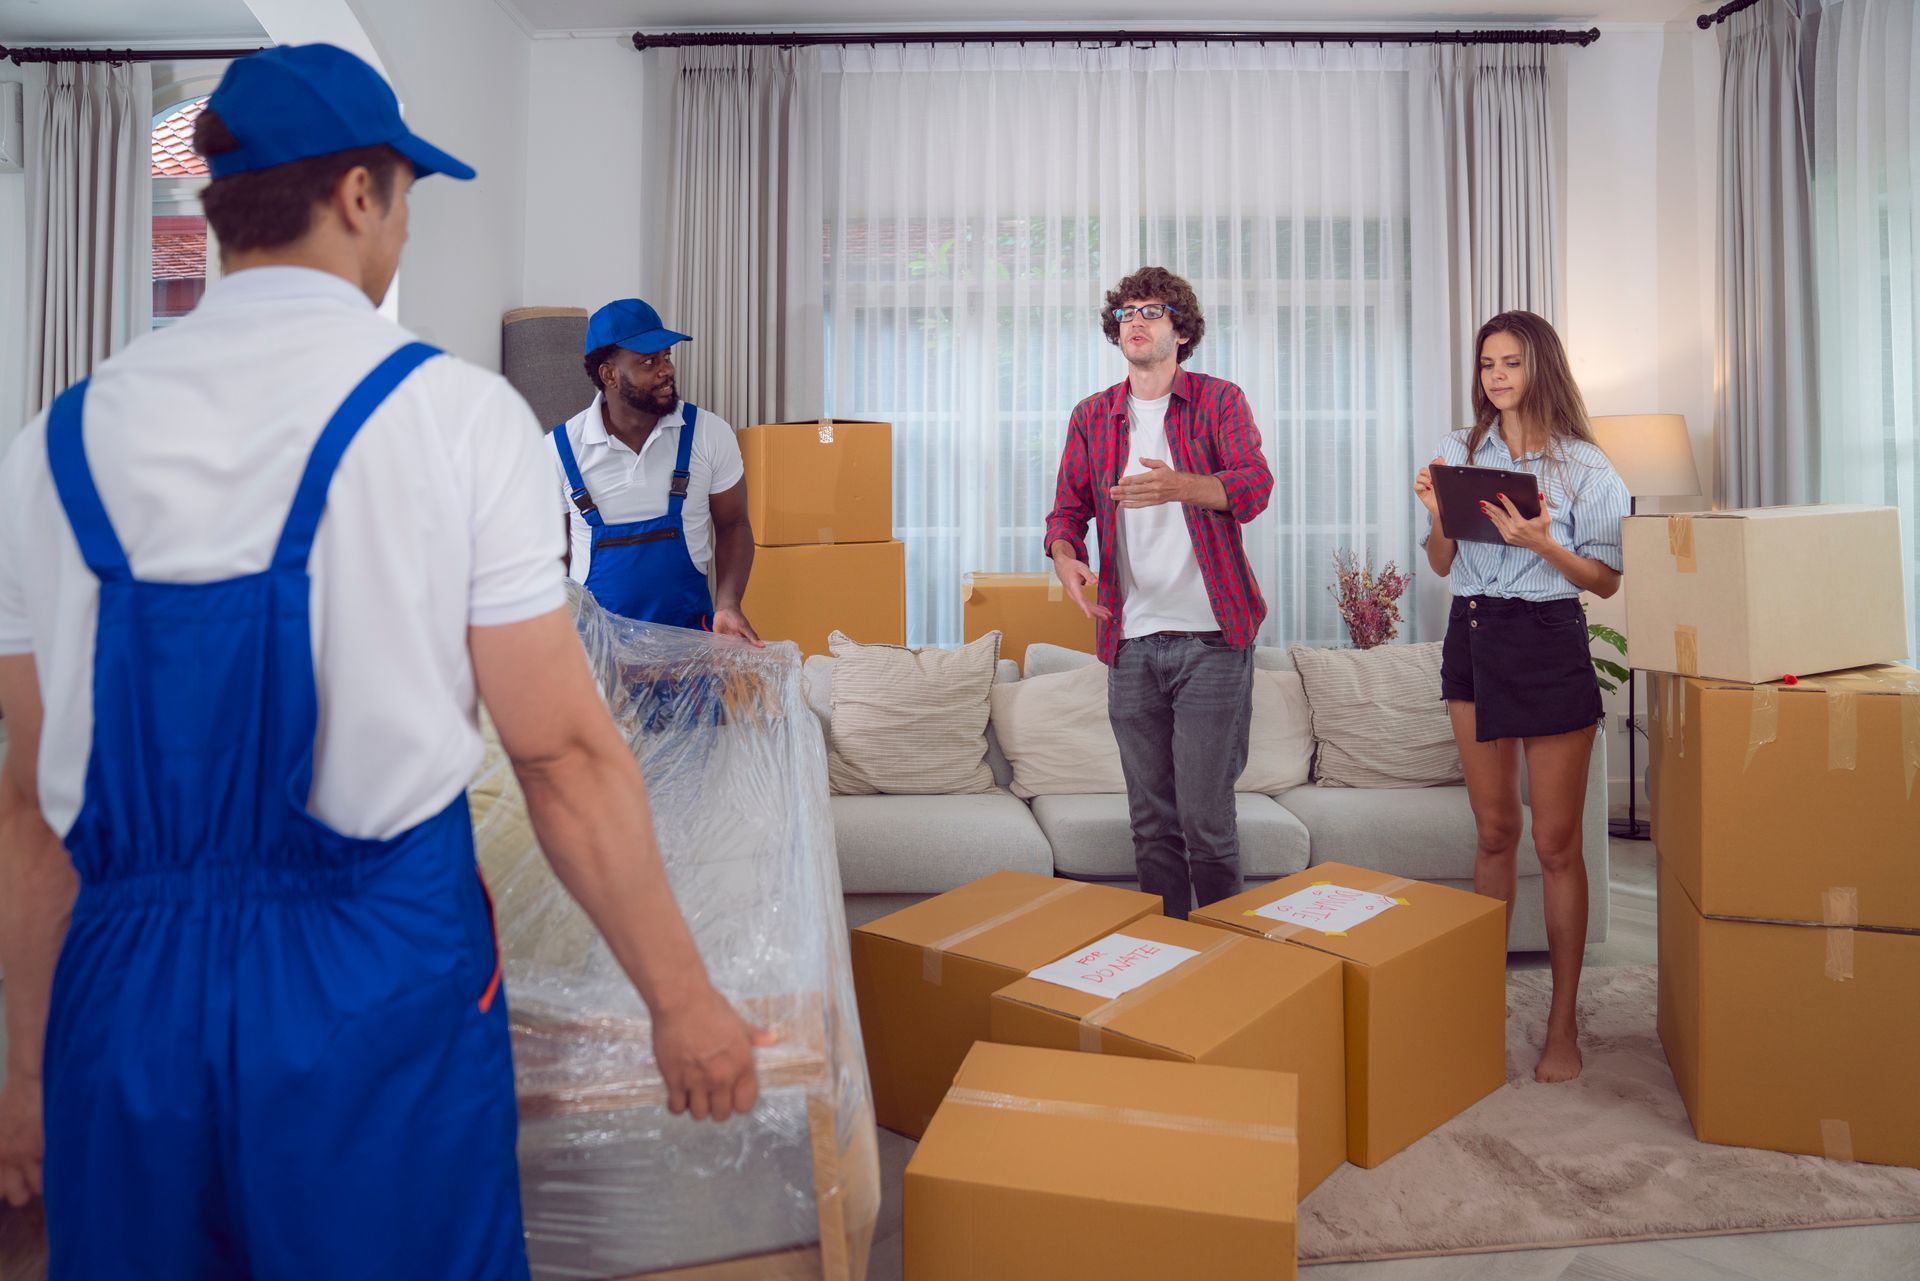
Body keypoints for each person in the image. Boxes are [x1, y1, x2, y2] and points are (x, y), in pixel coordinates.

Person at [0, 43, 767, 1278]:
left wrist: (22, 1071)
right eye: (407, 196)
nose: (402, 228)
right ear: (360, 195)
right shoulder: (454, 420)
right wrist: (680, 999)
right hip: (372, 977)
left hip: (124, 1000)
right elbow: (565, 756)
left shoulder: (50, 450)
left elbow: (31, 809)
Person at [1414, 309, 1630, 1084]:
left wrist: (1544, 545)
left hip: (1548, 641)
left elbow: (1606, 579)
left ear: (1540, 367)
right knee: (1497, 830)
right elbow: (1441, 564)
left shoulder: (1586, 469)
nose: (1496, 377)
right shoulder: (1455, 452)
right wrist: (1440, 514)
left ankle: (1563, 1021)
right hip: (1473, 633)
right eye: (1486, 365)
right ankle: (1481, 1009)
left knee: (1556, 843)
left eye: (1510, 362)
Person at [1044, 266, 1274, 920]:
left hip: (1213, 640)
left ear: (1181, 327)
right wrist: (1067, 559)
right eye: (1125, 313)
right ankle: (1166, 964)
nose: (1135, 322)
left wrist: (1184, 486)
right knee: (1151, 823)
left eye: (1151, 310)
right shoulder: (1093, 416)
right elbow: (1066, 513)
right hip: (1132, 641)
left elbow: (1253, 487)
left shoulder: (1219, 401)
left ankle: (1228, 957)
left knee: (1205, 818)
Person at [553, 301, 760, 641]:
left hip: (692, 658)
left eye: (666, 356)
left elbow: (734, 523)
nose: (666, 370)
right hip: (598, 661)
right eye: (649, 361)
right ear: (609, 375)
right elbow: (552, 555)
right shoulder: (560, 451)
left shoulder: (709, 434)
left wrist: (728, 605)